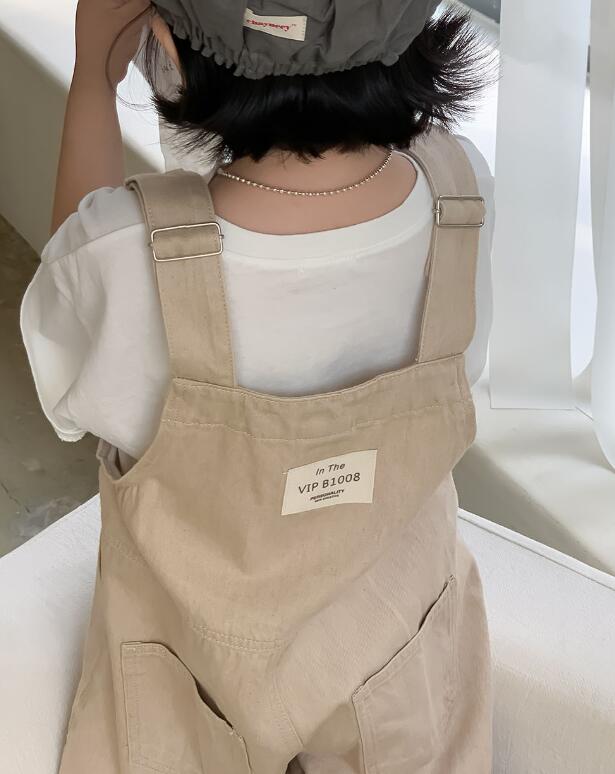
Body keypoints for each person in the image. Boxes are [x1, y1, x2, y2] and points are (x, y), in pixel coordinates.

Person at [20, 1, 496, 772]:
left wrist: (92, 83)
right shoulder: (460, 197)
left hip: (182, 690)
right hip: (401, 665)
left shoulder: (123, 254)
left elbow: (69, 333)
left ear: (164, 43)